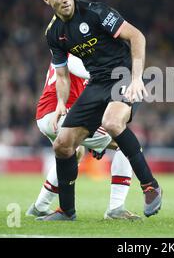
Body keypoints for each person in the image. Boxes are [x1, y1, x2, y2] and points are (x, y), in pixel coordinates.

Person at [38, 0, 162, 220]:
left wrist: (137, 78)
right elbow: (61, 75)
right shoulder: (54, 33)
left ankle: (150, 186)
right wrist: (62, 102)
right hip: (96, 84)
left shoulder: (96, 13)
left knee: (112, 122)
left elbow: (137, 36)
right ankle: (66, 210)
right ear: (47, 0)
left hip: (123, 76)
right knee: (62, 145)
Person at [26, 54, 141, 220]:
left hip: (50, 115)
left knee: (74, 153)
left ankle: (39, 206)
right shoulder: (76, 53)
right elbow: (84, 71)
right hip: (59, 115)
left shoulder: (73, 51)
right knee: (124, 143)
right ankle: (116, 208)